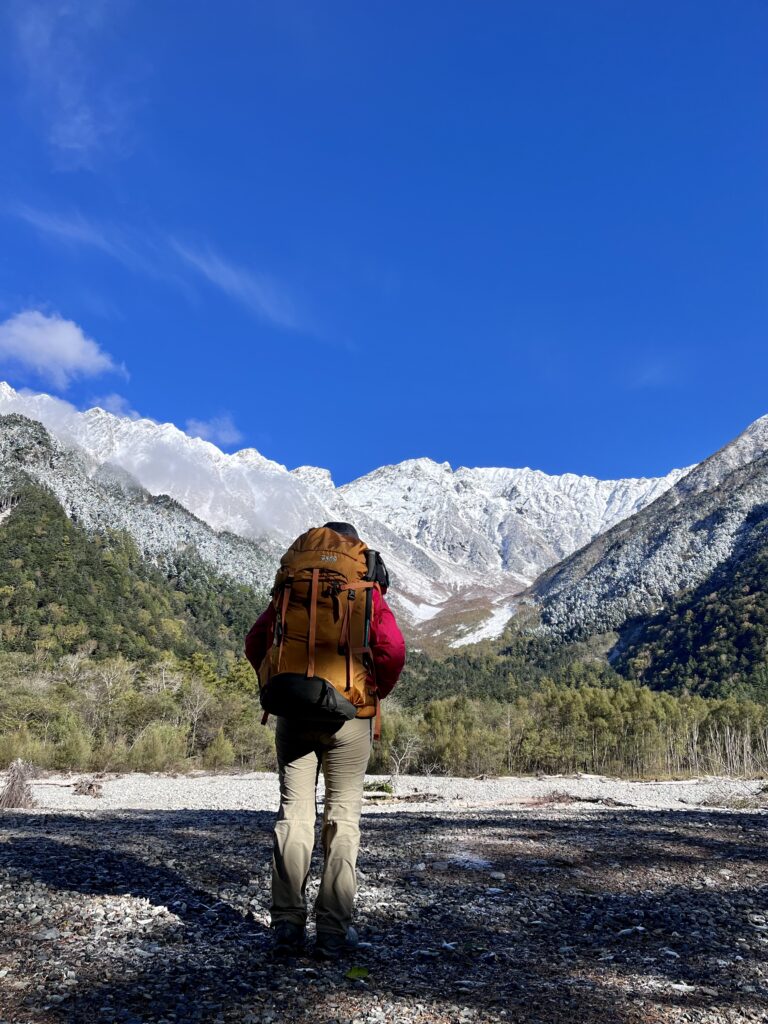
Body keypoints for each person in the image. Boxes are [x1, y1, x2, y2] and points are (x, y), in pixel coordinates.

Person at [245, 521, 405, 957]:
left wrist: (277, 682)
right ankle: (333, 931)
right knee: (343, 819)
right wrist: (369, 693)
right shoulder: (363, 584)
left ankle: (286, 926)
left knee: (293, 815)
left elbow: (256, 640)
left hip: (293, 711)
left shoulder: (293, 584)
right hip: (349, 717)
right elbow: (392, 649)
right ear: (355, 546)